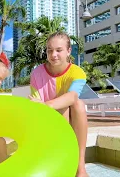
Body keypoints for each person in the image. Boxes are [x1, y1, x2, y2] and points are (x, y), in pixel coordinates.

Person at [29, 31, 88, 177]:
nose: (53, 54)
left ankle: (80, 168)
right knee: (63, 109)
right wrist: (46, 107)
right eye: (50, 50)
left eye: (58, 50)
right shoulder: (37, 73)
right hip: (45, 121)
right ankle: (62, 165)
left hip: (68, 120)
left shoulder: (77, 72)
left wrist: (47, 104)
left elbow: (73, 96)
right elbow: (35, 104)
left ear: (68, 51)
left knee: (78, 105)